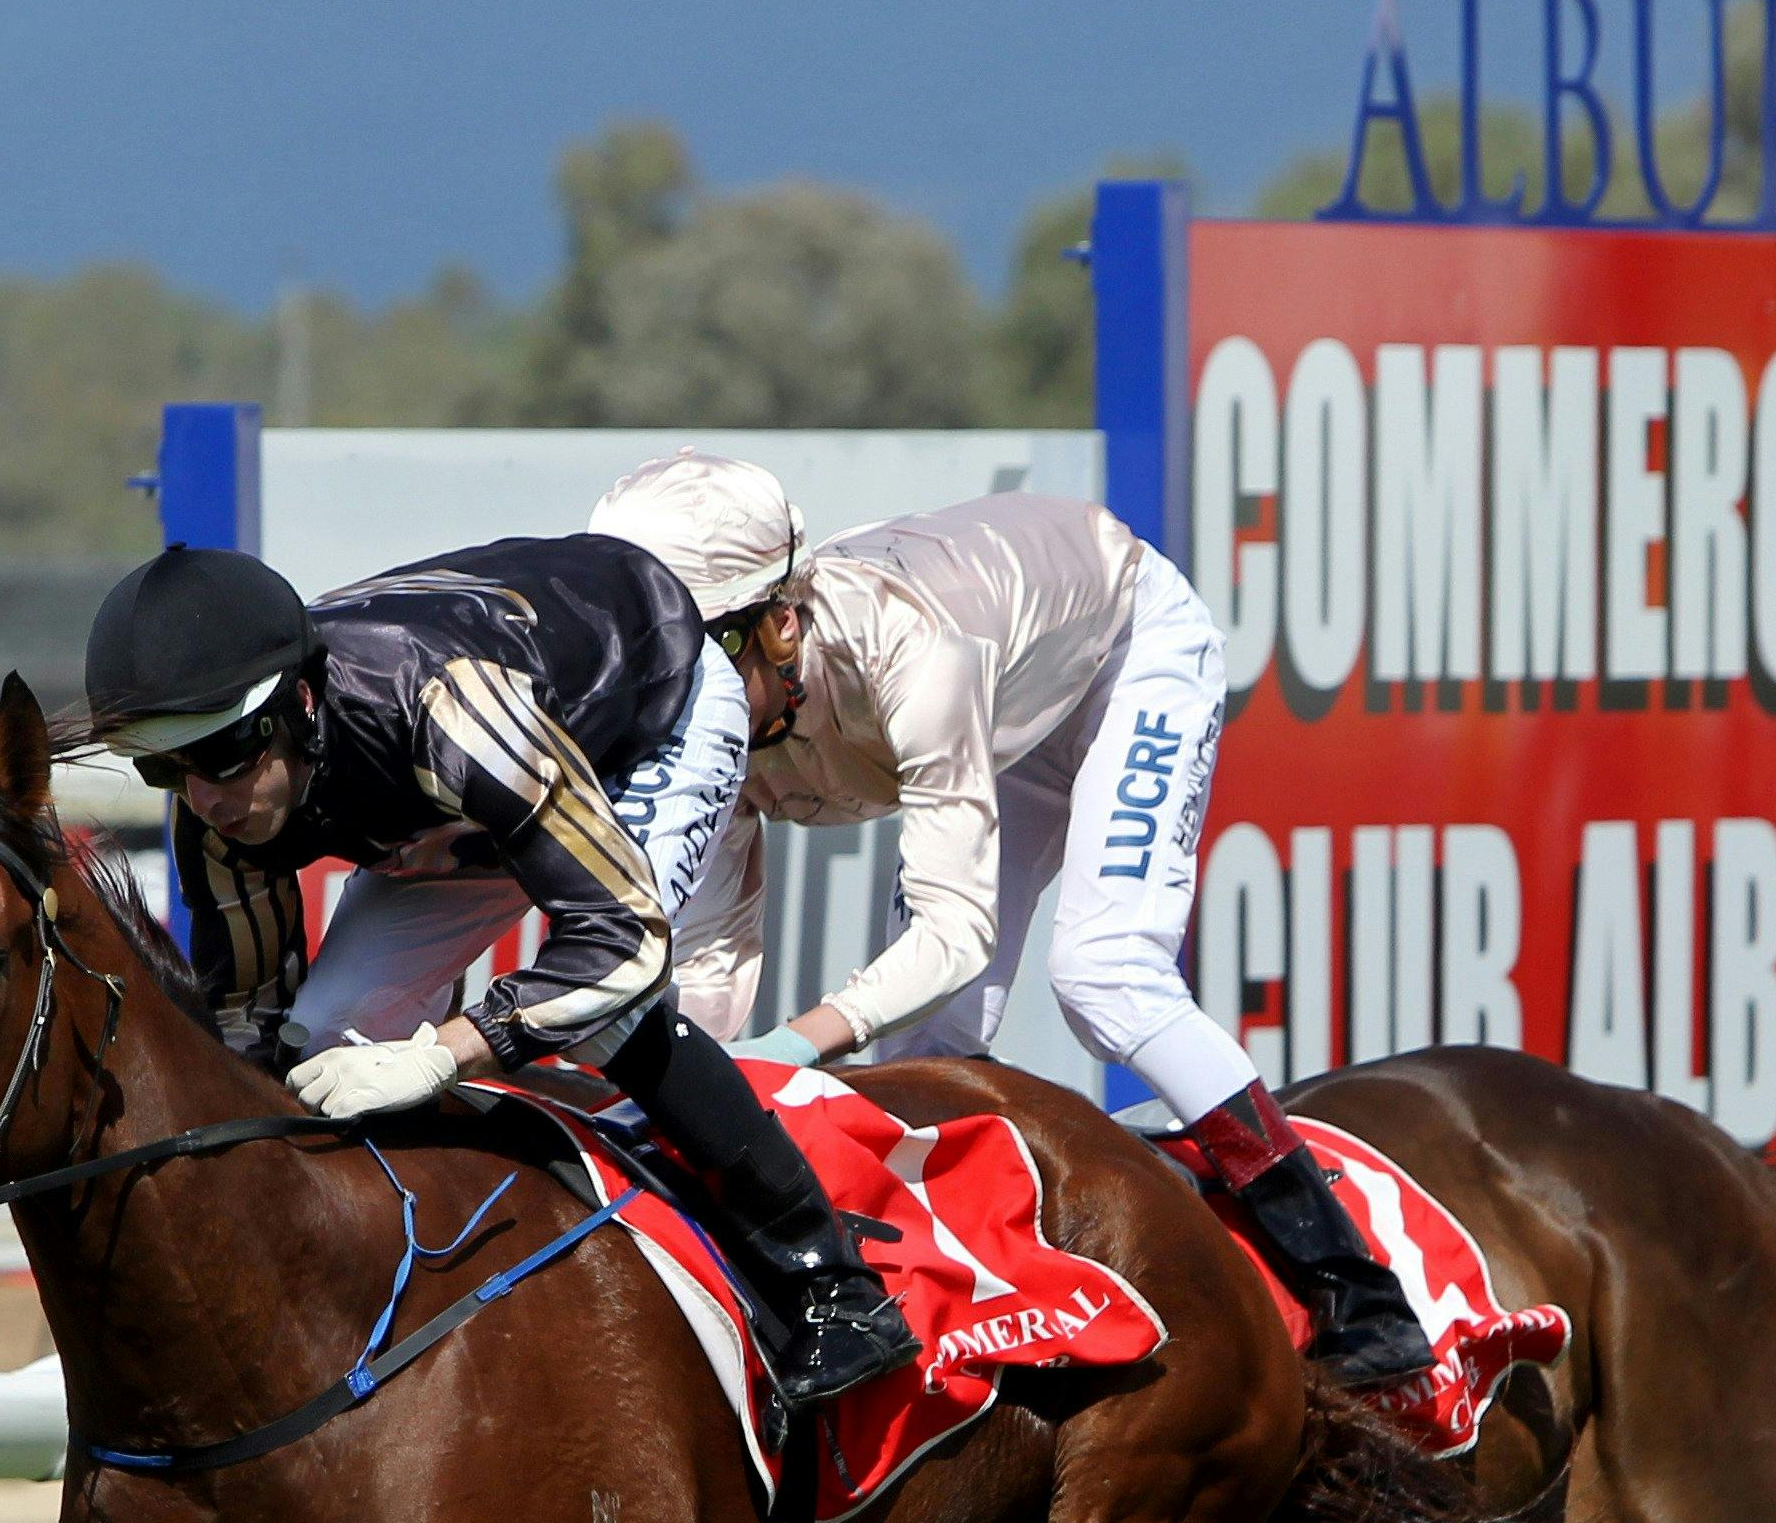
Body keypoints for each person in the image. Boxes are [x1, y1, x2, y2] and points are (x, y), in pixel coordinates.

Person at [584, 451, 1436, 1387]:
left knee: (1106, 974)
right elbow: (708, 971)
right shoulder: (707, 712)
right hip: (1003, 698)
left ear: (782, 625)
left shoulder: (912, 651)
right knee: (936, 1038)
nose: (669, 690)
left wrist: (795, 1045)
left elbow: (954, 935)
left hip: (1121, 650)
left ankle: (1360, 1292)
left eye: (697, 652)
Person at [82, 537, 918, 1407]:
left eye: (226, 757)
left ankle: (832, 1286)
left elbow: (621, 943)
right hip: (473, 789)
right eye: (164, 768)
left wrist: (445, 1051)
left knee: (604, 1012)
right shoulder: (217, 812)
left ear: (296, 701)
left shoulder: (447, 713)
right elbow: (249, 1031)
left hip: (638, 720)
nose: (207, 798)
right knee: (322, 1033)